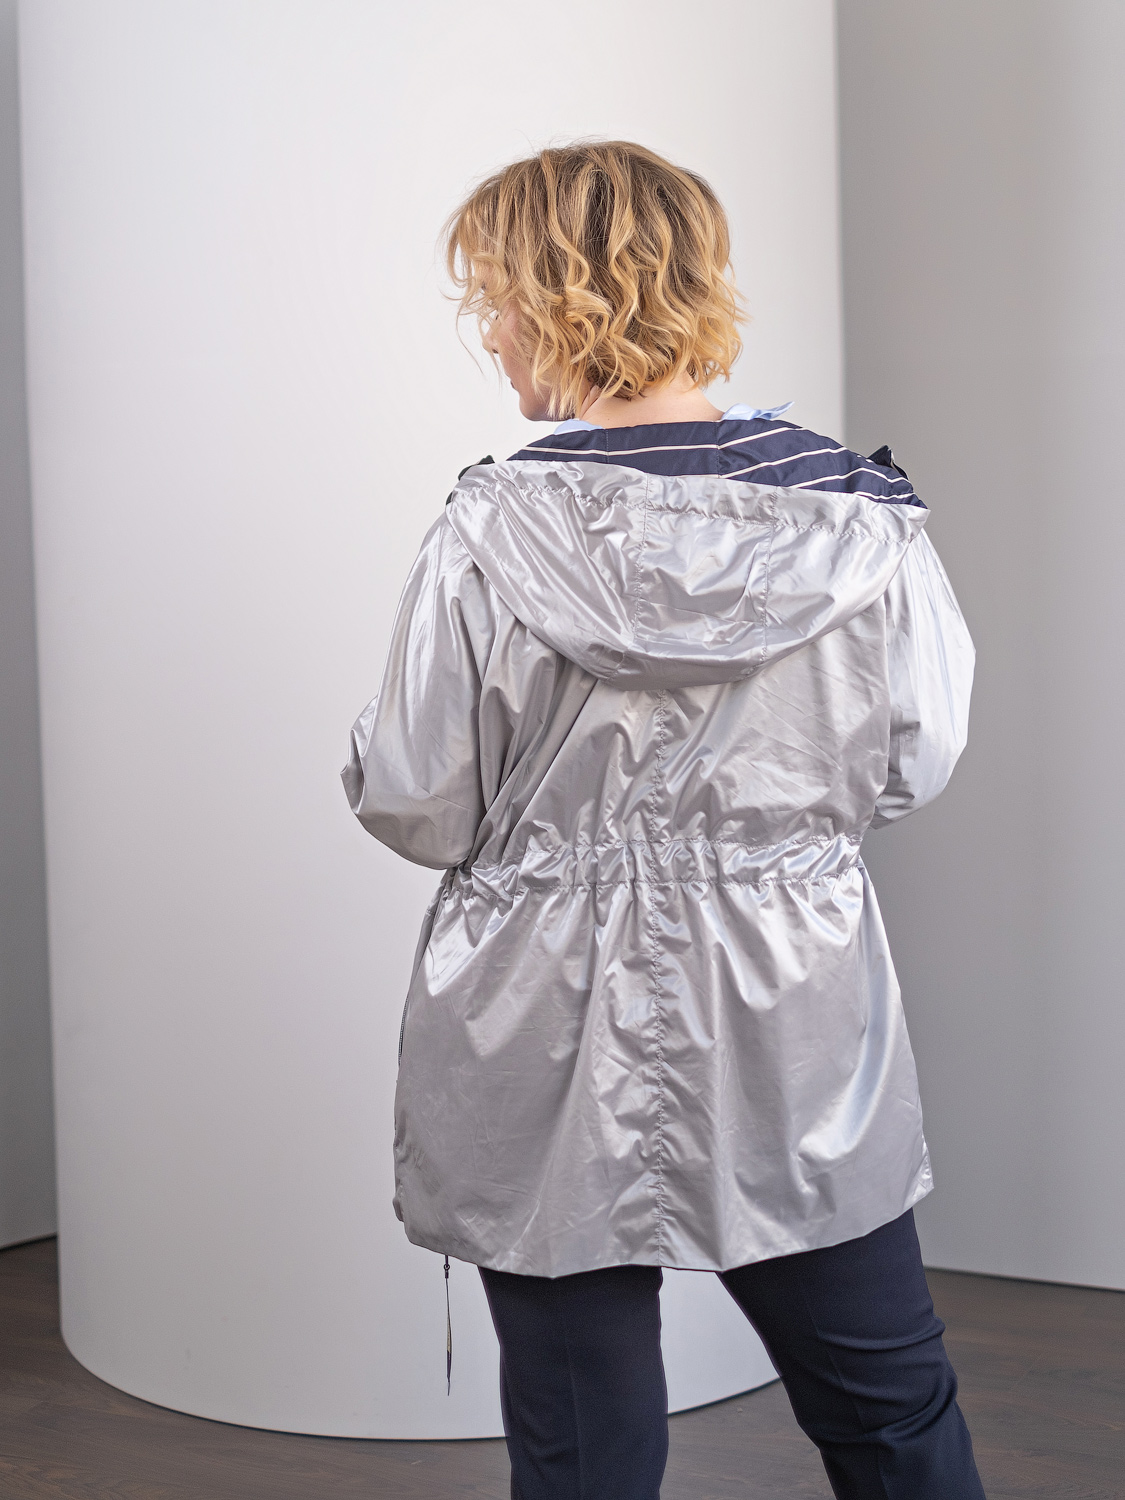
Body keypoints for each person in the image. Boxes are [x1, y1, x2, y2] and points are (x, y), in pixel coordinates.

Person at [342, 140, 984, 1500]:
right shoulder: (863, 522)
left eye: (494, 301)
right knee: (886, 1402)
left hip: (537, 1010)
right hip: (790, 998)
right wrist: (770, 834)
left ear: (552, 299)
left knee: (578, 1439)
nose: (491, 336)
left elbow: (414, 796)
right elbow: (913, 760)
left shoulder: (490, 529)